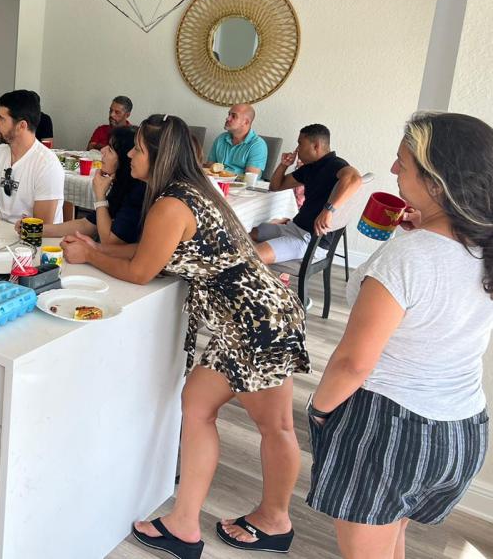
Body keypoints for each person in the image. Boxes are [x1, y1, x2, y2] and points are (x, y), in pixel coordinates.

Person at [61, 114, 309, 557]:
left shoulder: (172, 203)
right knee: (196, 405)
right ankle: (184, 524)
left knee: (275, 426)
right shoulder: (189, 192)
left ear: (159, 157)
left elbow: (141, 270)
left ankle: (275, 521)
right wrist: (97, 248)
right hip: (246, 319)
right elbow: (151, 249)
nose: (130, 154)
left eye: (138, 148)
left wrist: (93, 258)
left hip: (256, 322)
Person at [307, 113, 493, 558]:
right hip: (462, 430)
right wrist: (425, 227)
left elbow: (354, 362)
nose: (393, 169)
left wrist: (320, 409)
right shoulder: (482, 246)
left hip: (390, 430)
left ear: (437, 183)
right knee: (393, 538)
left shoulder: (410, 256)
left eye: (402, 164)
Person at [252, 123, 362, 266]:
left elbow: (355, 178)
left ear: (316, 146)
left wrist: (329, 210)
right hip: (293, 229)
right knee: (242, 233)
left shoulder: (335, 164)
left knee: (250, 256)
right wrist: (284, 165)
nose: (297, 149)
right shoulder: (310, 167)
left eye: (300, 143)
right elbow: (276, 186)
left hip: (310, 241)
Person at [30, 126, 145, 244]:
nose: (102, 151)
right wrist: (34, 229)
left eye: (110, 150)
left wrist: (100, 197)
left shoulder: (138, 192)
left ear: (125, 160)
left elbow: (109, 242)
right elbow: (88, 225)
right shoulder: (121, 184)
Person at [0, 90, 64, 224]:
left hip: (30, 236)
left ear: (22, 126)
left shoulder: (47, 165)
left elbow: (42, 227)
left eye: (1, 118)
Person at [206, 103, 267, 177]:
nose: (227, 118)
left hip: (240, 184)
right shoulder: (221, 138)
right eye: (229, 114)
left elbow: (250, 177)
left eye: (233, 116)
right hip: (215, 181)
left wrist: (224, 176)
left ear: (246, 122)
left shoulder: (257, 145)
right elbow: (209, 167)